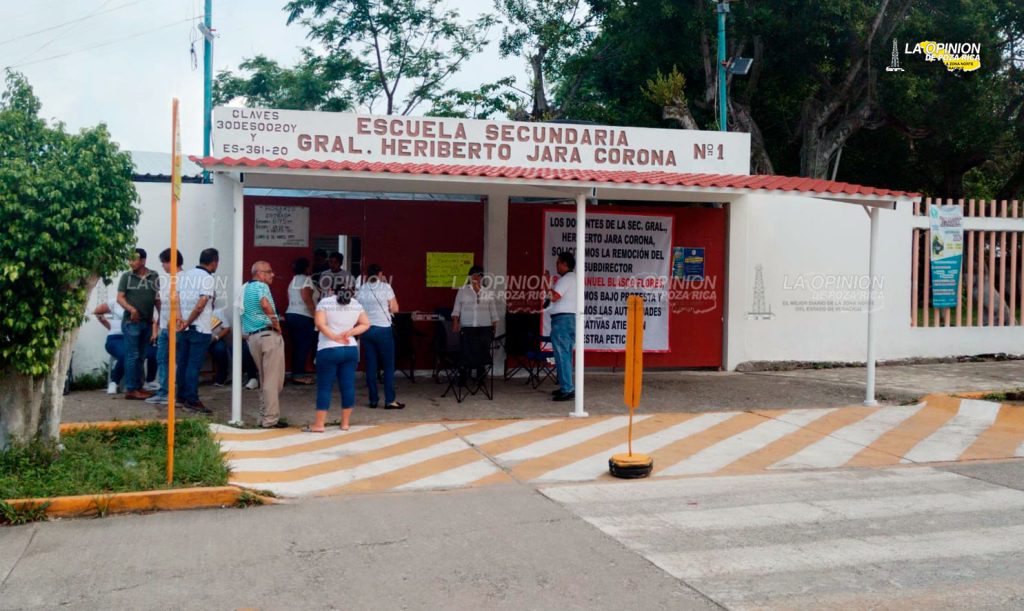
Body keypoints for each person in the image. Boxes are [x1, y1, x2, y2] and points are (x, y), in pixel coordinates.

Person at [307, 285, 371, 432]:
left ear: (332, 291)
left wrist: (334, 337)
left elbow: (319, 323)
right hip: (350, 349)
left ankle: (319, 424)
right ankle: (345, 423)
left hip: (328, 349)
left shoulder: (326, 302)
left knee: (325, 387)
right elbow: (366, 324)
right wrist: (350, 333)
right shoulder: (356, 304)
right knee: (348, 386)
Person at [241, 261, 287, 428]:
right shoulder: (261, 286)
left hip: (253, 338)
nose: (272, 274)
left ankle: (264, 416)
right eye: (269, 271)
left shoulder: (244, 288)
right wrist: (277, 324)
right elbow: (265, 304)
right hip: (268, 335)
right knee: (273, 381)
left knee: (264, 378)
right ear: (259, 273)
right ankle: (270, 419)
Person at [176, 248, 219, 414]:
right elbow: (202, 303)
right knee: (193, 366)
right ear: (214, 262)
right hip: (199, 328)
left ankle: (181, 397)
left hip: (184, 328)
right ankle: (192, 400)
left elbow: (176, 297)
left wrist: (181, 320)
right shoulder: (207, 278)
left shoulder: (185, 275)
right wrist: (188, 321)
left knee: (183, 364)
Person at [355, 263, 404, 409]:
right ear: (380, 274)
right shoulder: (386, 287)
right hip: (383, 330)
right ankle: (389, 400)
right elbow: (395, 308)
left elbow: (358, 309)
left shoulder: (362, 289)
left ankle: (373, 400)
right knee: (388, 366)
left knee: (371, 365)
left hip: (366, 330)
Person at [116, 248, 160, 400]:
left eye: (133, 259)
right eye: (129, 260)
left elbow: (156, 299)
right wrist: (131, 309)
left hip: (147, 322)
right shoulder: (126, 277)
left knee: (142, 356)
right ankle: (131, 389)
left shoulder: (154, 276)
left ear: (143, 261)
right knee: (132, 356)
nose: (130, 263)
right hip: (131, 322)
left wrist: (161, 317)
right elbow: (120, 298)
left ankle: (139, 387)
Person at [147, 248, 183, 405]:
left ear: (172, 261)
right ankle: (164, 392)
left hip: (176, 327)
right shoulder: (168, 280)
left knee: (176, 360)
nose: (162, 265)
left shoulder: (183, 279)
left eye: (164, 262)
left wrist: (175, 320)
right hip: (165, 327)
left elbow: (182, 303)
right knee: (162, 359)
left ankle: (175, 393)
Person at [452, 265, 499, 385]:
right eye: (474, 275)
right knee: (466, 352)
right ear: (470, 277)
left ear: (482, 277)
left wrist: (494, 329)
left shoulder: (488, 291)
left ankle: (480, 377)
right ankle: (463, 377)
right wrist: (455, 322)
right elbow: (457, 308)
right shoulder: (462, 290)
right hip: (467, 328)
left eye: (479, 275)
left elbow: (493, 312)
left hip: (484, 328)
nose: (476, 277)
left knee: (482, 354)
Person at [545, 251, 577, 402]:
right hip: (568, 319)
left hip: (562, 321)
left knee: (562, 354)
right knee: (566, 354)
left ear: (565, 264)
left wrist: (546, 283)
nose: (556, 265)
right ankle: (566, 385)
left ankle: (567, 389)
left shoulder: (566, 279)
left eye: (558, 262)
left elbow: (554, 297)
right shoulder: (573, 279)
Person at [285, 257, 317, 385]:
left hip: (291, 314)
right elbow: (307, 299)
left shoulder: (293, 281)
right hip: (303, 316)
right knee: (303, 346)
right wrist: (316, 317)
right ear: (306, 268)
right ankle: (298, 375)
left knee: (297, 346)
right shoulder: (306, 280)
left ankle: (297, 372)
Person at [93, 297, 126, 395]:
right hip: (115, 338)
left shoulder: (138, 302)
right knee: (125, 354)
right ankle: (114, 382)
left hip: (132, 338)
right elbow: (97, 311)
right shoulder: (115, 301)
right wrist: (109, 327)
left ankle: (140, 384)